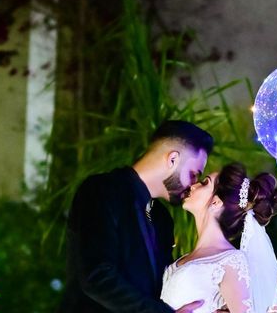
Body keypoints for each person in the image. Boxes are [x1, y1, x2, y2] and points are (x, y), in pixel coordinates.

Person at [59, 120, 213, 313]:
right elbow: (97, 277)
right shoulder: (101, 190)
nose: (193, 184)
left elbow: (162, 286)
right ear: (172, 159)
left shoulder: (162, 218)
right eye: (193, 174)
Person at [160, 163, 277, 313]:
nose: (193, 186)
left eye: (204, 183)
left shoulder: (231, 262)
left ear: (215, 202)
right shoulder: (186, 257)